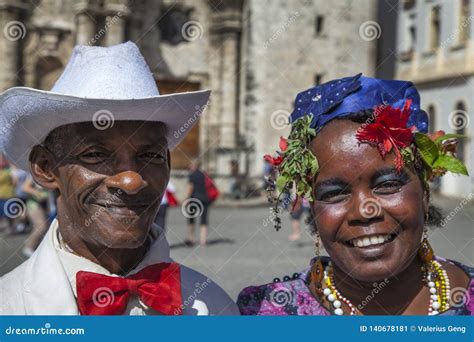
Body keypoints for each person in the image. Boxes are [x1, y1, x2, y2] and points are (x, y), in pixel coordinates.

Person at [0, 42, 238, 315]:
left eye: (151, 155)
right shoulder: (9, 308)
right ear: (45, 168)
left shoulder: (216, 308)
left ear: (168, 164)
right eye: (95, 154)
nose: (130, 181)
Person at [238, 74, 473, 315]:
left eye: (388, 184)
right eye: (335, 193)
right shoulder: (264, 314)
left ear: (424, 194)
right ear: (314, 209)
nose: (364, 210)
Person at [21, 174, 50, 257]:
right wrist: (36, 192)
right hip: (33, 204)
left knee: (44, 226)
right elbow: (25, 187)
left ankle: (31, 243)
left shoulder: (48, 175)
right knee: (41, 226)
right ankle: (28, 248)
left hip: (43, 204)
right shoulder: (32, 174)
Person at [185, 159, 212, 246]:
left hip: (194, 199)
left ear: (194, 165)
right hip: (205, 199)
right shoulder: (204, 174)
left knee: (191, 218)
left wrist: (186, 199)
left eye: (190, 165)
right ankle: (203, 240)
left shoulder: (192, 175)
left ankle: (191, 238)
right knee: (204, 220)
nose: (189, 166)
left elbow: (190, 188)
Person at [0, 154, 15, 233]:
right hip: (3, 195)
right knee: (5, 212)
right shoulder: (7, 171)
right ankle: (8, 226)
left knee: (9, 212)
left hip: (8, 195)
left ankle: (10, 227)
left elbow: (14, 182)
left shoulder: (8, 171)